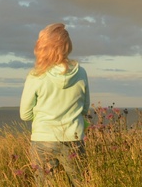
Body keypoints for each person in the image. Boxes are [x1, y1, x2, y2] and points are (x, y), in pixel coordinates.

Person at [20, 23, 90, 186]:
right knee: (79, 182)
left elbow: (25, 114)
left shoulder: (36, 75)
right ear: (67, 46)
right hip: (73, 138)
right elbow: (85, 108)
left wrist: (44, 117)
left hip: (43, 139)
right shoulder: (81, 72)